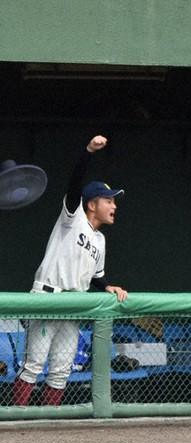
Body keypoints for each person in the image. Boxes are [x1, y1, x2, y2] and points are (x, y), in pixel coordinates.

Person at [12, 135, 128, 406]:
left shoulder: (100, 240)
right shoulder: (73, 218)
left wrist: (107, 286)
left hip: (74, 304)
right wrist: (88, 152)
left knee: (62, 370)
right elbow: (74, 184)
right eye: (108, 200)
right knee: (33, 365)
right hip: (48, 297)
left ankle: (49, 425)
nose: (114, 205)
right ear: (91, 204)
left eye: (114, 201)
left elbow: (97, 276)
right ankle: (18, 422)